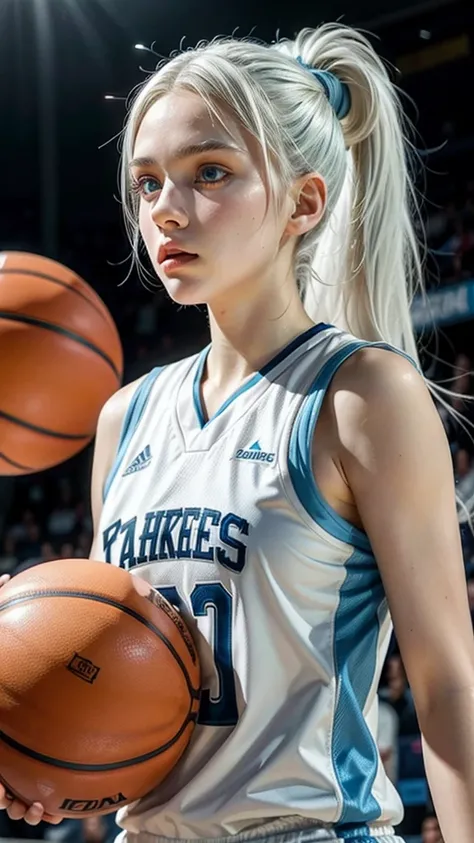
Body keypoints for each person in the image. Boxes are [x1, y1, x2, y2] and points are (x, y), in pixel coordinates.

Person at [1, 21, 474, 843]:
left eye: (208, 173)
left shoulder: (362, 394)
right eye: (148, 184)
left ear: (304, 202)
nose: (166, 210)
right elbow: (115, 671)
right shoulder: (127, 417)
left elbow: (447, 688)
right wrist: (54, 752)